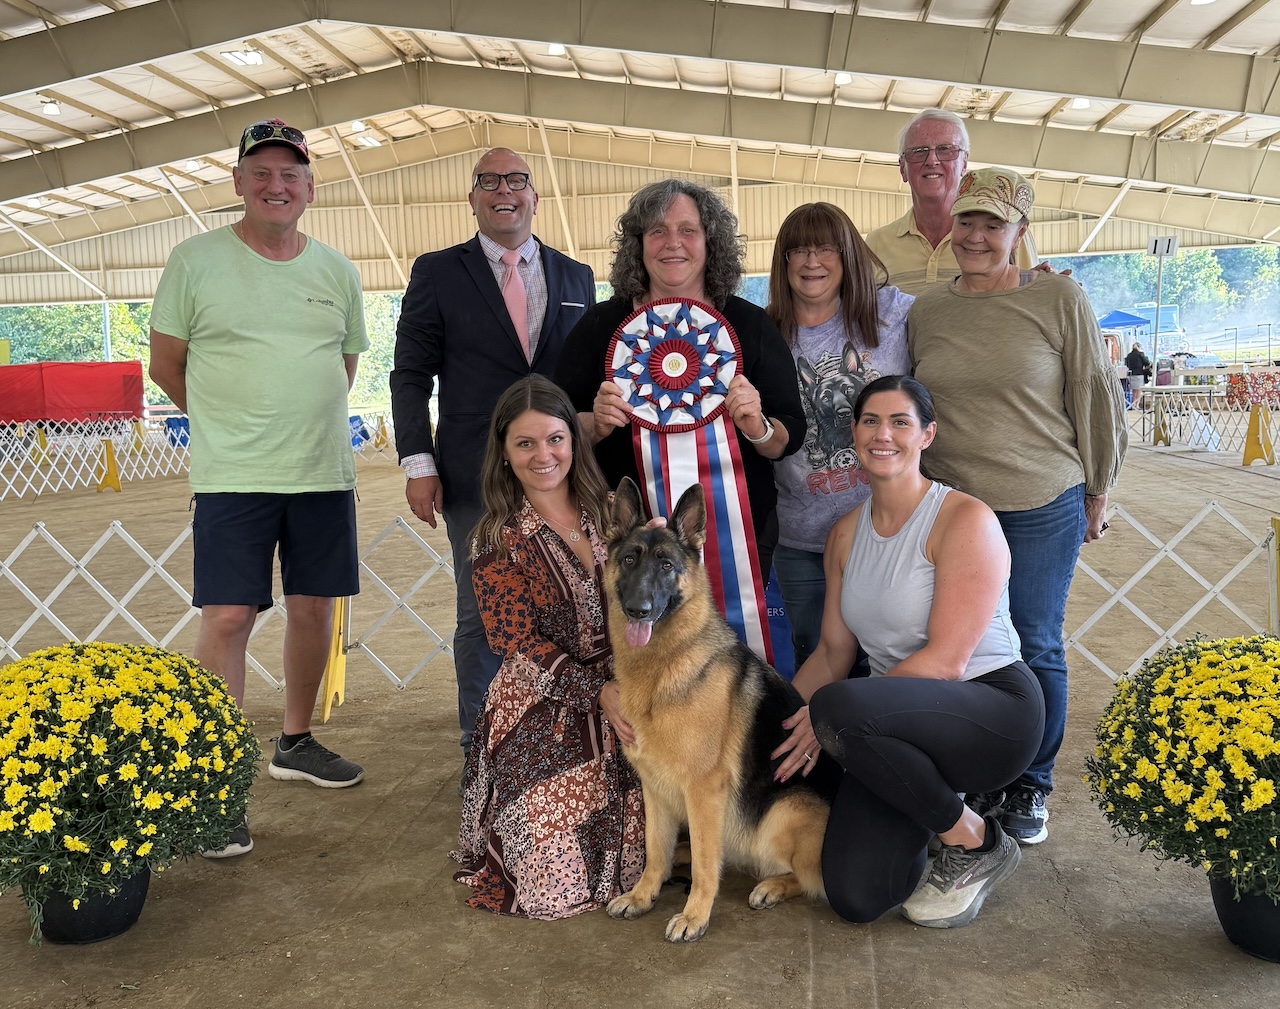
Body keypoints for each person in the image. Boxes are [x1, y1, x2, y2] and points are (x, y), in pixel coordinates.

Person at [149, 118, 370, 857]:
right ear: (239, 182)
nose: (278, 185)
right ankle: (214, 785)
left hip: (321, 473)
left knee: (314, 610)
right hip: (233, 478)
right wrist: (228, 425)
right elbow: (165, 365)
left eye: (291, 174)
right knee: (228, 618)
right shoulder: (194, 261)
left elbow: (342, 368)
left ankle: (296, 742)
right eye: (263, 172)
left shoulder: (337, 271)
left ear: (309, 188)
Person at [771, 375, 1044, 928]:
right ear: (853, 432)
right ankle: (933, 806)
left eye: (900, 422)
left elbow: (947, 661)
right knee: (856, 897)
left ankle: (975, 840)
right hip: (893, 726)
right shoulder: (844, 535)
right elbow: (832, 653)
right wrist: (769, 725)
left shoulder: (965, 518)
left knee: (836, 707)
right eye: (870, 421)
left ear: (927, 435)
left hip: (992, 709)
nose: (883, 435)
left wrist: (825, 717)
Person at [908, 166, 1127, 846]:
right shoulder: (926, 311)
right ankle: (976, 773)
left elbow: (1094, 393)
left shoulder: (1060, 297)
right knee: (959, 644)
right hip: (952, 507)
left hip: (1041, 500)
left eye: (993, 225)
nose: (976, 236)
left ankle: (1031, 782)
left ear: (1021, 232)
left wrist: (1098, 488)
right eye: (967, 221)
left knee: (1034, 641)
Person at [390, 148, 596, 763]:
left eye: (516, 180)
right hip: (472, 474)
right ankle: (483, 754)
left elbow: (586, 376)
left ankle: (567, 745)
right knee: (483, 617)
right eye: (489, 181)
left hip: (559, 471)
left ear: (534, 195)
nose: (503, 191)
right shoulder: (436, 272)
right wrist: (418, 463)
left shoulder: (576, 275)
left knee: (569, 608)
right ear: (472, 198)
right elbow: (410, 375)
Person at [452, 375, 644, 918]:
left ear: (574, 441)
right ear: (504, 452)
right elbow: (515, 643)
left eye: (555, 439)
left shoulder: (616, 511)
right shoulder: (494, 538)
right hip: (542, 699)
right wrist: (598, 693)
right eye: (525, 443)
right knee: (550, 874)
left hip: (634, 683)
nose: (544, 456)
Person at [555, 178, 804, 581]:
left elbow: (787, 438)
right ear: (639, 245)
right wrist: (595, 425)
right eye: (658, 231)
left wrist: (757, 427)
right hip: (625, 537)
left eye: (688, 230)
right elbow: (556, 430)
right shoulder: (600, 325)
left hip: (738, 534)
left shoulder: (750, 324)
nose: (673, 243)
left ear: (710, 243)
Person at [766, 202, 913, 667]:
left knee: (891, 661)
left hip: (891, 532)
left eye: (826, 248)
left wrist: (1025, 281)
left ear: (848, 254)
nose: (812, 262)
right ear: (784, 261)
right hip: (802, 538)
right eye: (798, 251)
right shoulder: (764, 332)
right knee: (815, 656)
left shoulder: (894, 313)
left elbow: (963, 308)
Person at [866, 109, 1038, 296]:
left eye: (945, 149)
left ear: (964, 162)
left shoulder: (1007, 233)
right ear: (902, 168)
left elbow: (1032, 299)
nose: (932, 160)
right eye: (918, 152)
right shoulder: (876, 244)